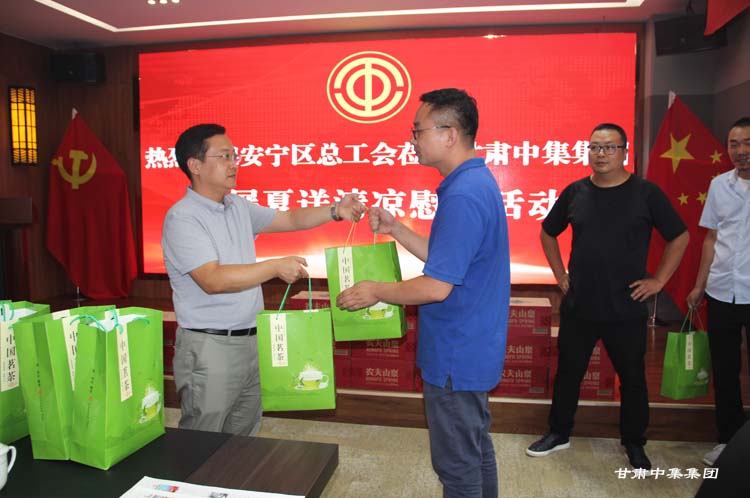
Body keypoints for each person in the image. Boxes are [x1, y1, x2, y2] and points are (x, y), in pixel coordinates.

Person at [337, 88, 511, 498]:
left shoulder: (464, 194)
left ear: (450, 134)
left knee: (457, 467)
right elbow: (448, 259)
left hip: (455, 352)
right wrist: (396, 230)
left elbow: (435, 286)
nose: (413, 140)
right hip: (472, 345)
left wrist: (376, 290)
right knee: (474, 449)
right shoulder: (473, 182)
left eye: (418, 131)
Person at [162, 123, 365, 436]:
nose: (234, 164)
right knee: (203, 439)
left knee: (244, 437)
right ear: (195, 165)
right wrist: (273, 267)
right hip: (210, 345)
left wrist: (335, 210)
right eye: (224, 156)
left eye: (235, 156)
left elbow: (289, 219)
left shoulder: (237, 206)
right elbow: (212, 279)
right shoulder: (183, 218)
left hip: (253, 340)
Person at [525, 123, 689, 470]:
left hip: (626, 306)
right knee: (569, 372)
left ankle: (634, 442)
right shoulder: (575, 192)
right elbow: (547, 232)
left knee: (632, 379)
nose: (601, 154)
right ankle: (559, 432)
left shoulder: (646, 193)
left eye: (609, 147)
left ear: (624, 152)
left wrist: (659, 280)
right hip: (580, 303)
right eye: (595, 147)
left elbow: (680, 236)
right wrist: (560, 275)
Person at [686, 116, 750, 466]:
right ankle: (728, 440)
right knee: (725, 371)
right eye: (733, 144)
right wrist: (699, 285)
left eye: (748, 143)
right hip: (722, 290)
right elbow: (711, 238)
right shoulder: (719, 185)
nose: (740, 151)